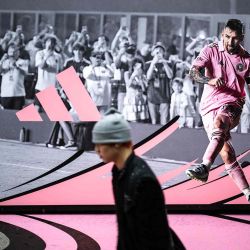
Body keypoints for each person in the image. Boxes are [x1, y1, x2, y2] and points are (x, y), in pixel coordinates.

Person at [92, 108, 185, 250]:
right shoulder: (118, 171)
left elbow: (154, 240)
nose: (96, 150)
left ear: (116, 143)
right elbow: (124, 228)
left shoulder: (143, 182)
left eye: (100, 144)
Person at [185, 19, 250, 201]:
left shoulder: (247, 59)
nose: (230, 42)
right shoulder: (210, 50)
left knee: (221, 122)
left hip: (233, 104)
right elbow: (192, 72)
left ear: (242, 38)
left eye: (235, 38)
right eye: (227, 37)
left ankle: (204, 167)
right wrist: (209, 80)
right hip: (207, 107)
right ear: (223, 34)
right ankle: (247, 192)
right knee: (227, 154)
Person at [146, 42, 173, 125]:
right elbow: (148, 77)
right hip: (152, 96)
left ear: (164, 53)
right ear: (153, 52)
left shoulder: (168, 63)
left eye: (161, 50)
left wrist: (164, 62)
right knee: (153, 122)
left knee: (164, 122)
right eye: (156, 50)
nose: (158, 52)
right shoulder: (148, 64)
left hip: (164, 96)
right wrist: (153, 63)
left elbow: (170, 76)